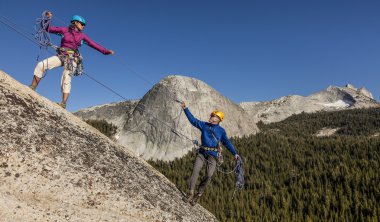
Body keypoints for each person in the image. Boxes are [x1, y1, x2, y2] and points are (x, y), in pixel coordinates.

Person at [30, 11, 114, 109]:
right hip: (61, 55)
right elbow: (47, 28)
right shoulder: (64, 30)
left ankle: (63, 103)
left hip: (72, 59)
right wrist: (48, 18)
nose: (83, 26)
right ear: (75, 23)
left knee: (67, 77)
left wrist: (105, 51)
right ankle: (32, 87)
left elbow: (93, 44)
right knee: (41, 65)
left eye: (84, 25)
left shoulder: (82, 36)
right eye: (82, 24)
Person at [181, 101, 240, 206]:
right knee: (195, 170)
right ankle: (190, 192)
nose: (211, 117)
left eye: (214, 116)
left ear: (218, 120)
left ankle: (198, 194)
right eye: (212, 115)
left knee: (209, 175)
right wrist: (185, 109)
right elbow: (193, 120)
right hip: (202, 152)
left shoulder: (221, 131)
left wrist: (235, 153)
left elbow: (227, 142)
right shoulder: (204, 125)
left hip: (213, 155)